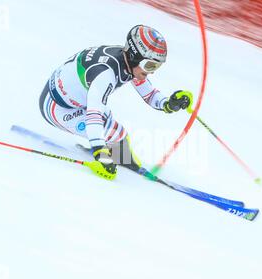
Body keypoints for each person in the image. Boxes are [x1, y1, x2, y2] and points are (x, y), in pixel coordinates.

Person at [39, 25, 193, 180]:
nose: (152, 71)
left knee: (119, 138)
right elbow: (94, 114)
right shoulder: (106, 74)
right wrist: (100, 152)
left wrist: (169, 104)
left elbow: (150, 94)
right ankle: (106, 152)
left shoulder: (128, 63)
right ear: (135, 56)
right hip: (58, 108)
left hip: (78, 99)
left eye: (157, 66)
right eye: (150, 65)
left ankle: (115, 155)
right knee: (115, 136)